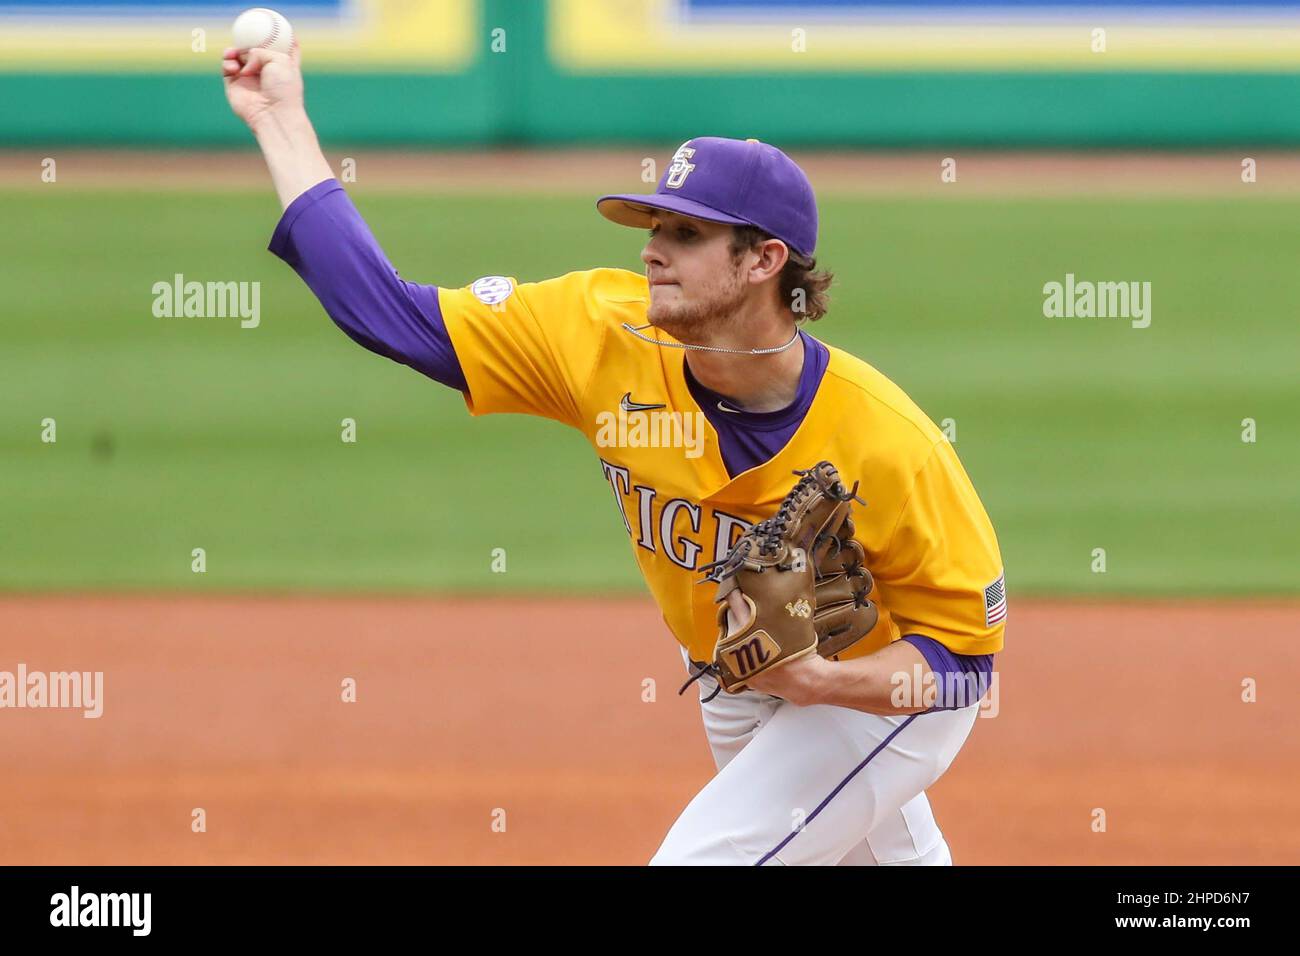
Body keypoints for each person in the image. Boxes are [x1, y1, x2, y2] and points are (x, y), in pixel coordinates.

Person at [222, 42, 1006, 866]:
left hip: (878, 697)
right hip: (732, 678)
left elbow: (964, 666)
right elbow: (384, 312)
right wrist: (281, 119)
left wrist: (819, 683)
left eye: (686, 233)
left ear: (764, 261)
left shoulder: (888, 442)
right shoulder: (598, 333)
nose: (651, 249)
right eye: (653, 225)